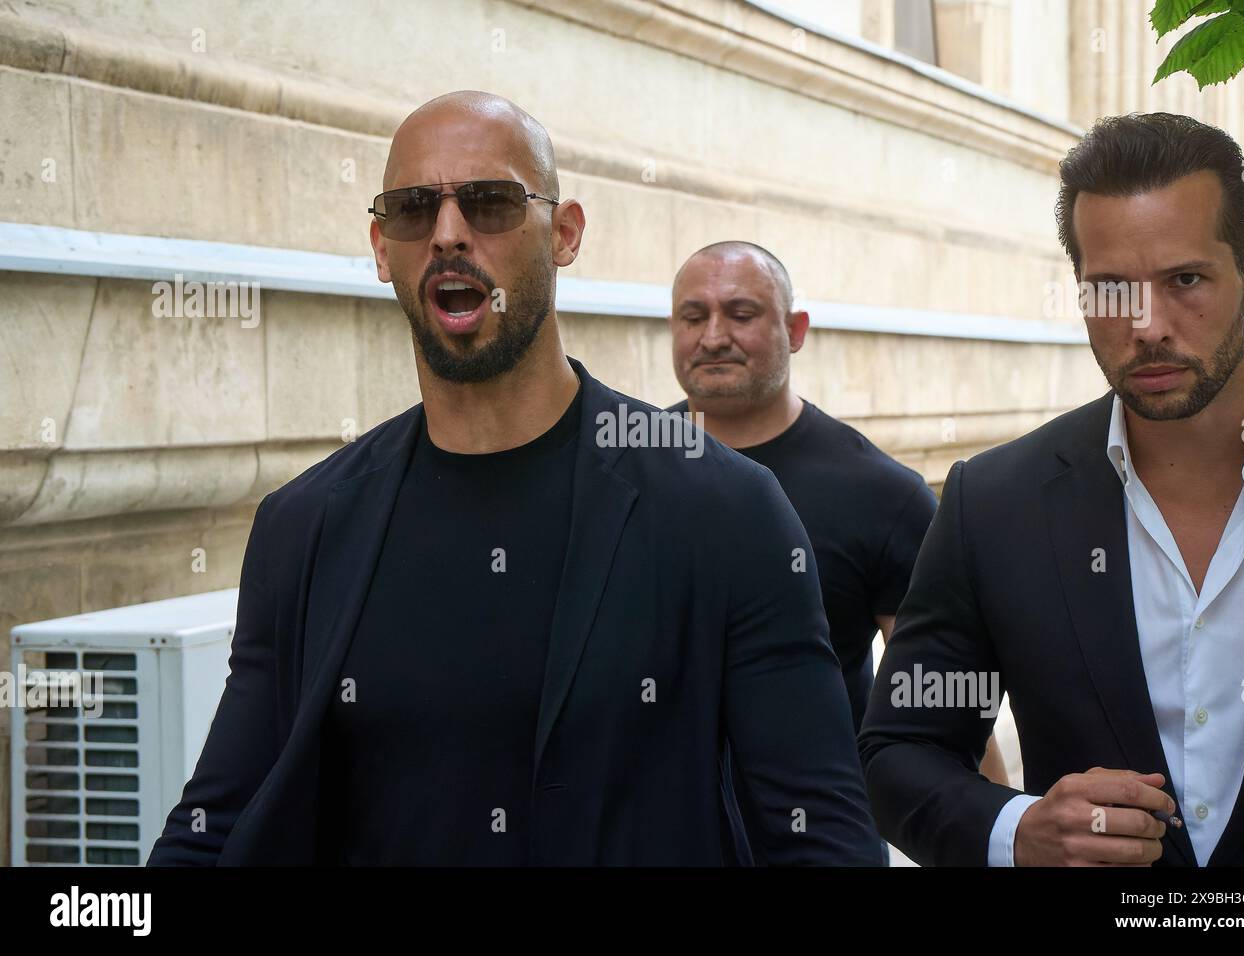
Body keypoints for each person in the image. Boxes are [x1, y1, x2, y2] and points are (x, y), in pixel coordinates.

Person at [148, 91, 878, 866]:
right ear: (380, 246)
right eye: (413, 209)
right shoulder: (306, 525)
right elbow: (213, 825)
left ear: (563, 234)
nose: (449, 233)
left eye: (490, 203)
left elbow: (820, 835)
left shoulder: (724, 508)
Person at [861, 112, 1244, 866]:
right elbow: (902, 750)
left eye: (1185, 280)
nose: (1147, 325)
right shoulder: (996, 506)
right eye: (1110, 291)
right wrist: (1017, 831)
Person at [667, 241, 1006, 865]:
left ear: (795, 331)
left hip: (815, 844)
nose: (713, 336)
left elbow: (947, 706)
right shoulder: (629, 470)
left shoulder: (882, 494)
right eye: (693, 316)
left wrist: (986, 843)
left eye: (742, 314)